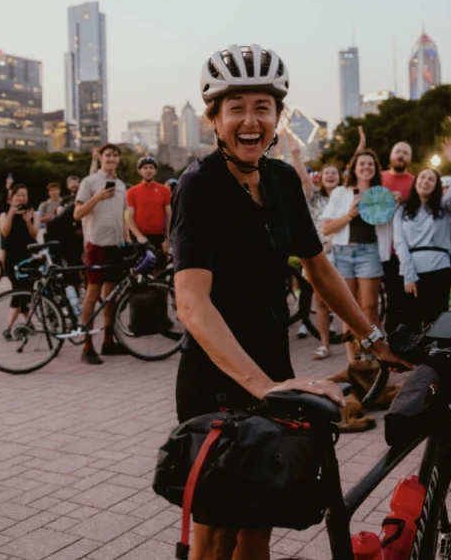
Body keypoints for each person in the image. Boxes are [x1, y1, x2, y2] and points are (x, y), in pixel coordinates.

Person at [171, 44, 409, 560]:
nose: (250, 120)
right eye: (236, 108)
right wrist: (266, 386)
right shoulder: (198, 186)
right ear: (213, 118)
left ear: (279, 116)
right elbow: (191, 304)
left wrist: (373, 338)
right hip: (217, 378)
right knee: (214, 534)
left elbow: (317, 266)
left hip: (275, 369)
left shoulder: (280, 181)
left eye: (263, 107)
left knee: (259, 523)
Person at [321, 148, 393, 362]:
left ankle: (376, 359)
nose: (366, 167)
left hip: (369, 252)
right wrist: (350, 214)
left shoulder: (381, 194)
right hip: (343, 253)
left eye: (370, 164)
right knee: (348, 309)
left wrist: (394, 200)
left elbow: (389, 222)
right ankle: (354, 363)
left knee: (370, 307)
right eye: (362, 163)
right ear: (354, 168)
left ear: (375, 169)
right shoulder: (341, 193)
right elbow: (326, 228)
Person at [393, 139, 451, 330]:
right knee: (412, 323)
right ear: (415, 182)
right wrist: (409, 275)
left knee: (438, 322)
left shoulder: (445, 207)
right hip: (411, 270)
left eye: (431, 179)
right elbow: (400, 244)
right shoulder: (402, 210)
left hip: (438, 268)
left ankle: (439, 358)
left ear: (436, 185)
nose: (425, 181)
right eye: (422, 177)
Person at [74, 143, 129, 364]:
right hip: (96, 244)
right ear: (101, 157)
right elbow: (77, 213)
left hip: (116, 246)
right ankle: (87, 345)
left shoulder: (122, 185)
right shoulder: (89, 182)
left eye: (115, 156)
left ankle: (108, 341)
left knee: (112, 295)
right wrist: (96, 197)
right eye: (108, 155)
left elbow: (123, 217)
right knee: (93, 293)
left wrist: (127, 241)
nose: (112, 159)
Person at [288, 140, 342, 358]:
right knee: (321, 300)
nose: (330, 176)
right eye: (327, 173)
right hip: (320, 253)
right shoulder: (314, 197)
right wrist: (296, 157)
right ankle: (324, 344)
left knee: (348, 298)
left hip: (343, 252)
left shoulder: (346, 197)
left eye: (334, 173)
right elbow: (303, 179)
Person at [381, 139, 415, 329]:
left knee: (406, 298)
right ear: (391, 156)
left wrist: (405, 204)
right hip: (383, 249)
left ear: (410, 159)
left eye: (405, 152)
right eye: (398, 151)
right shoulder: (379, 178)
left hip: (406, 249)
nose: (401, 155)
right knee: (392, 297)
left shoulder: (415, 181)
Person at [0, 183, 40, 333]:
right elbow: (4, 232)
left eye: (24, 195)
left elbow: (34, 235)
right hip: (12, 258)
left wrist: (28, 220)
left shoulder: (32, 213)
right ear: (12, 197)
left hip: (29, 257)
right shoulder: (4, 213)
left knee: (26, 290)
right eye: (18, 195)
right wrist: (11, 212)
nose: (22, 198)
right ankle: (10, 327)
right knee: (18, 289)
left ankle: (16, 326)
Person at [125, 156, 172, 258]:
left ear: (155, 171)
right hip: (139, 238)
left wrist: (168, 239)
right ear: (139, 171)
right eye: (145, 168)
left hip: (159, 238)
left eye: (151, 167)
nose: (148, 170)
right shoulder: (132, 192)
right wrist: (138, 235)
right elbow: (129, 217)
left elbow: (169, 215)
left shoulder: (165, 191)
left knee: (160, 270)